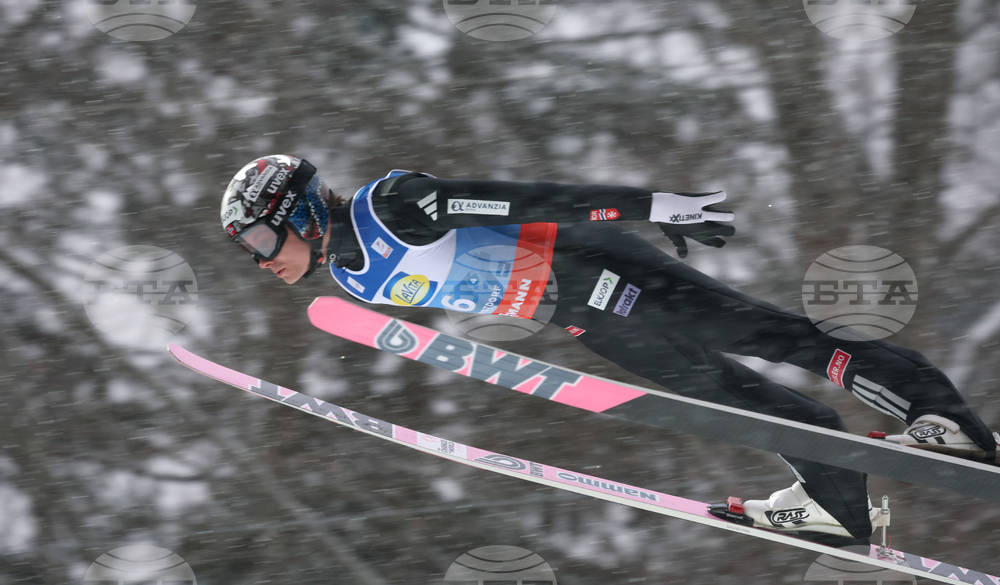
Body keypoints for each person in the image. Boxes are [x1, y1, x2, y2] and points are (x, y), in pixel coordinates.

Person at [220, 154, 999, 546]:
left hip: (597, 263)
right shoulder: (352, 276)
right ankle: (838, 499)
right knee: (723, 399)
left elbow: (526, 199)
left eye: (259, 237)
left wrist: (654, 205)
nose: (261, 260)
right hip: (575, 311)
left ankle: (944, 418)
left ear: (294, 210)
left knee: (771, 337)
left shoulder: (390, 207)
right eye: (247, 251)